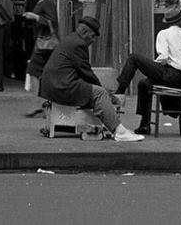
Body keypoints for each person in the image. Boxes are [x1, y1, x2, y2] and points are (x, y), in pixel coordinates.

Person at [40, 14, 143, 142]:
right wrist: (108, 95)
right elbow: (87, 74)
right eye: (93, 36)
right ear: (84, 32)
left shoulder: (71, 39)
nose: (93, 40)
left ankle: (116, 126)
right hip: (60, 86)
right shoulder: (78, 44)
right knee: (98, 93)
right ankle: (119, 131)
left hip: (56, 84)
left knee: (96, 91)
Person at [113, 4, 181, 135]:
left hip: (171, 74)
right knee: (143, 84)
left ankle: (119, 92)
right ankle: (144, 125)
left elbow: (163, 57)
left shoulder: (164, 33)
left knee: (134, 58)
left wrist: (152, 66)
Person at [23, 0, 59, 112]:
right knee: (42, 73)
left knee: (33, 71)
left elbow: (52, 22)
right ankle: (43, 104)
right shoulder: (44, 1)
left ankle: (39, 104)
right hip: (43, 43)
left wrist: (35, 17)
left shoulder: (47, 2)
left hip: (45, 44)